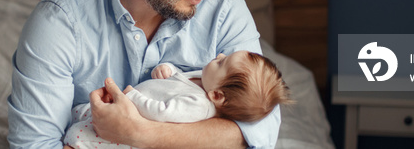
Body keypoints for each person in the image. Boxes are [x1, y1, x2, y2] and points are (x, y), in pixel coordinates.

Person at [7, 0, 283, 148]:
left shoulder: (226, 10)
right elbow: (36, 145)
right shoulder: (60, 23)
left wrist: (141, 134)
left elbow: (260, 130)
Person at [63, 51, 292, 148]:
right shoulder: (203, 79)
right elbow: (177, 78)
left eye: (222, 63)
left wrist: (132, 96)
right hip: (121, 108)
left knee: (80, 136)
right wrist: (167, 69)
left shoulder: (199, 106)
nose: (219, 55)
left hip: (131, 120)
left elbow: (162, 112)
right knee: (79, 113)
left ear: (217, 96)